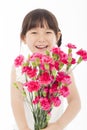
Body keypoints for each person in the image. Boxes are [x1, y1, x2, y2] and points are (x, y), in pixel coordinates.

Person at [10, 8, 81, 130]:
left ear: (57, 36)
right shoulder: (20, 66)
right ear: (23, 37)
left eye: (48, 32)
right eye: (34, 32)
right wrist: (23, 127)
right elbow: (16, 100)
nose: (41, 38)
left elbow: (75, 101)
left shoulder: (62, 65)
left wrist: (59, 125)